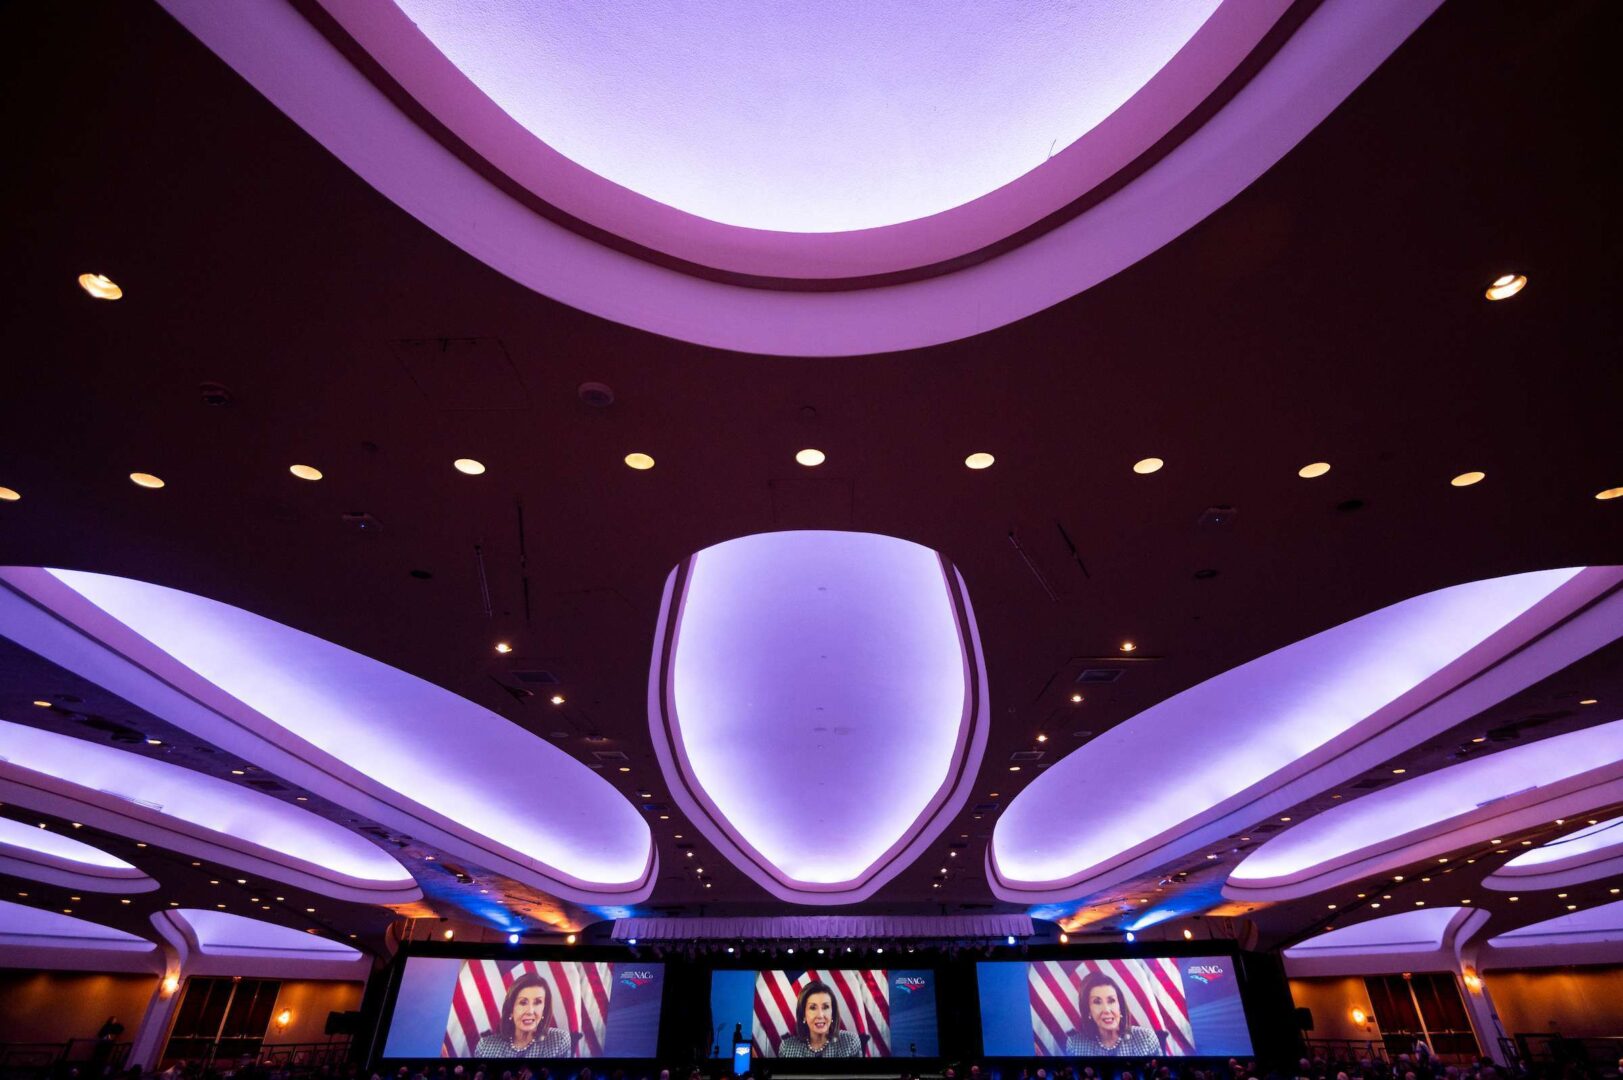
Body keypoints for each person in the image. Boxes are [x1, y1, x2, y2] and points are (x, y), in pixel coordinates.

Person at [1065, 972, 1161, 1057]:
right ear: (1088, 1010)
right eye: (1097, 1002)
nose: (1106, 1010)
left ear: (1120, 1006)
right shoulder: (1075, 1045)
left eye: (1111, 1001)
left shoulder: (1146, 1039)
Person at [473, 975, 571, 1057]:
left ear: (544, 1010)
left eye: (537, 1002)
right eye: (523, 1003)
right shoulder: (485, 1047)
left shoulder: (559, 1040)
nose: (530, 1011)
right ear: (511, 1009)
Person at [775, 982, 860, 1058]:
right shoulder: (787, 1048)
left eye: (825, 1007)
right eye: (812, 1008)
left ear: (832, 1013)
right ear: (803, 1014)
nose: (820, 1015)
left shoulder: (850, 1043)